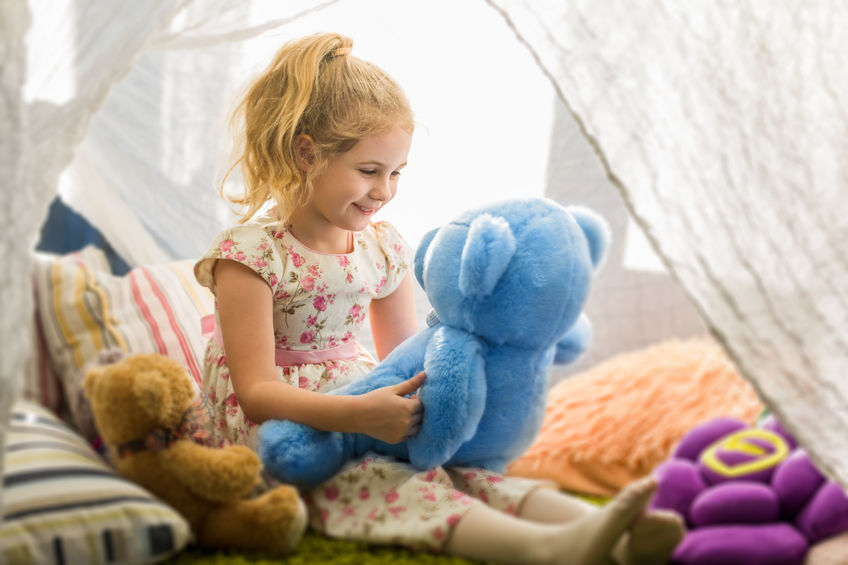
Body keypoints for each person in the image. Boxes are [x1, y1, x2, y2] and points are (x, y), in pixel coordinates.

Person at [194, 32, 684, 565]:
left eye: (396, 173)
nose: (385, 191)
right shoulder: (250, 257)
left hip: (361, 398)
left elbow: (409, 354)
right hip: (282, 432)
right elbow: (257, 392)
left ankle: (605, 528)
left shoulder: (381, 246)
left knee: (452, 466)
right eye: (369, 171)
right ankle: (544, 549)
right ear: (306, 154)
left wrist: (424, 407)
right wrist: (357, 416)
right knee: (378, 479)